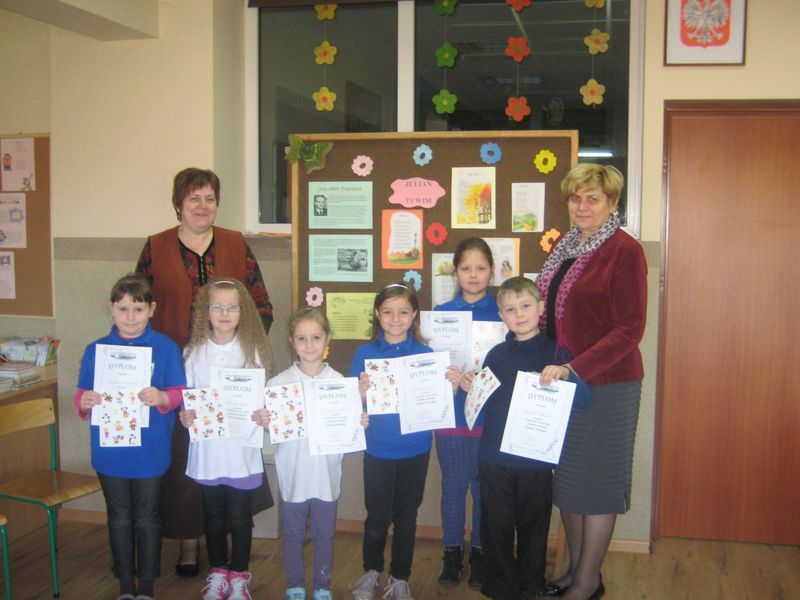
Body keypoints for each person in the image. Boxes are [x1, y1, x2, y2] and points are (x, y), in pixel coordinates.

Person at [135, 167, 274, 576]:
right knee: (186, 453)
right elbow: (140, 307)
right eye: (193, 198)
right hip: (179, 374)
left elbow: (260, 305)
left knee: (232, 448)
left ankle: (232, 546)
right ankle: (188, 543)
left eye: (209, 198)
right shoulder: (156, 246)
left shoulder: (235, 244)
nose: (202, 205)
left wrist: (239, 352)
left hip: (231, 371)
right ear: (178, 204)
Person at [536, 164, 647, 600]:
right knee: (569, 480)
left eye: (593, 199)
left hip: (607, 385)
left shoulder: (625, 251)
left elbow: (630, 328)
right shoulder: (565, 245)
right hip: (561, 380)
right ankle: (574, 570)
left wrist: (577, 367)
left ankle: (587, 581)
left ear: (612, 203)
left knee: (597, 483)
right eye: (576, 198)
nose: (582, 207)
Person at [475, 276, 590, 600]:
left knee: (534, 527)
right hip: (494, 458)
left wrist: (565, 373)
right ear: (501, 315)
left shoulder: (558, 352)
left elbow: (584, 399)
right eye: (510, 309)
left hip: (536, 460)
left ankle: (530, 585)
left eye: (525, 305)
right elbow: (482, 403)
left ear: (540, 307)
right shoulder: (495, 355)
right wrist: (471, 385)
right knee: (496, 527)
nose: (519, 314)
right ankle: (501, 588)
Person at [74, 274, 186, 600]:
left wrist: (162, 397)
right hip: (110, 449)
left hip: (150, 449)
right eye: (123, 309)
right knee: (119, 517)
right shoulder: (96, 350)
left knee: (148, 517)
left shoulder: (165, 347)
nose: (131, 317)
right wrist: (85, 401)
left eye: (138, 309)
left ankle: (146, 584)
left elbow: (179, 393)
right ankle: (125, 584)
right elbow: (82, 394)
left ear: (152, 309)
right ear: (111, 309)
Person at [348, 283, 461, 600]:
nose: (395, 319)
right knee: (376, 518)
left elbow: (438, 404)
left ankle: (399, 577)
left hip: (415, 450)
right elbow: (351, 405)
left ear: (414, 316)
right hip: (378, 450)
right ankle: (371, 571)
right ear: (377, 314)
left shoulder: (427, 355)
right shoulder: (364, 354)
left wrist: (451, 389)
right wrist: (358, 394)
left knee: (407, 518)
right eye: (388, 312)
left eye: (403, 312)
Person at [178, 279, 273, 600]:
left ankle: (239, 575)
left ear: (242, 312)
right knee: (214, 514)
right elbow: (188, 401)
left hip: (241, 450)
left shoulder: (253, 351)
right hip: (208, 451)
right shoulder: (193, 353)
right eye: (217, 306)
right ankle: (218, 571)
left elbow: (263, 401)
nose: (224, 312)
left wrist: (263, 414)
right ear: (205, 311)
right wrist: (186, 415)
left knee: (241, 516)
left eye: (232, 306)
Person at [265, 308, 369, 600]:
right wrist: (264, 420)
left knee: (325, 533)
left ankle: (323, 586)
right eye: (301, 338)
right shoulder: (278, 384)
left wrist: (358, 421)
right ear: (291, 341)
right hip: (293, 474)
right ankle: (295, 585)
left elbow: (348, 428)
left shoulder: (340, 383)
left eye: (315, 337)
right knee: (293, 534)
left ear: (327, 339)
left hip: (326, 476)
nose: (309, 344)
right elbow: (272, 428)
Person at [432, 237, 500, 589]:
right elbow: (430, 370)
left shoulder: (504, 312)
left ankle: (480, 553)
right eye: (466, 268)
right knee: (454, 486)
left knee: (484, 488)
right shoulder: (441, 313)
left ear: (492, 271)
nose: (473, 275)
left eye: (481, 268)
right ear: (455, 272)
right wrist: (447, 377)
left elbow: (511, 365)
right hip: (452, 415)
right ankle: (452, 553)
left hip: (491, 416)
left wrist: (484, 378)